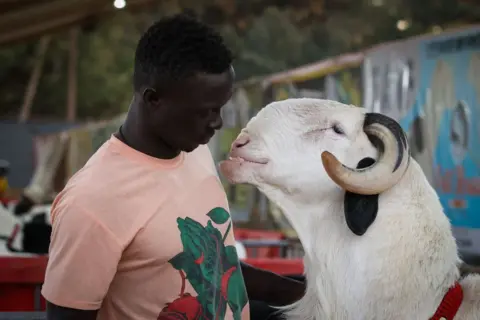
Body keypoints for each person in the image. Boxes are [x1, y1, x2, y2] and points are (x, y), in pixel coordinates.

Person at [42, 13, 305, 320]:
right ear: (153, 99)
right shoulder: (91, 203)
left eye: (220, 108)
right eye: (204, 112)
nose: (217, 123)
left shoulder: (195, 152)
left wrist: (309, 296)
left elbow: (218, 268)